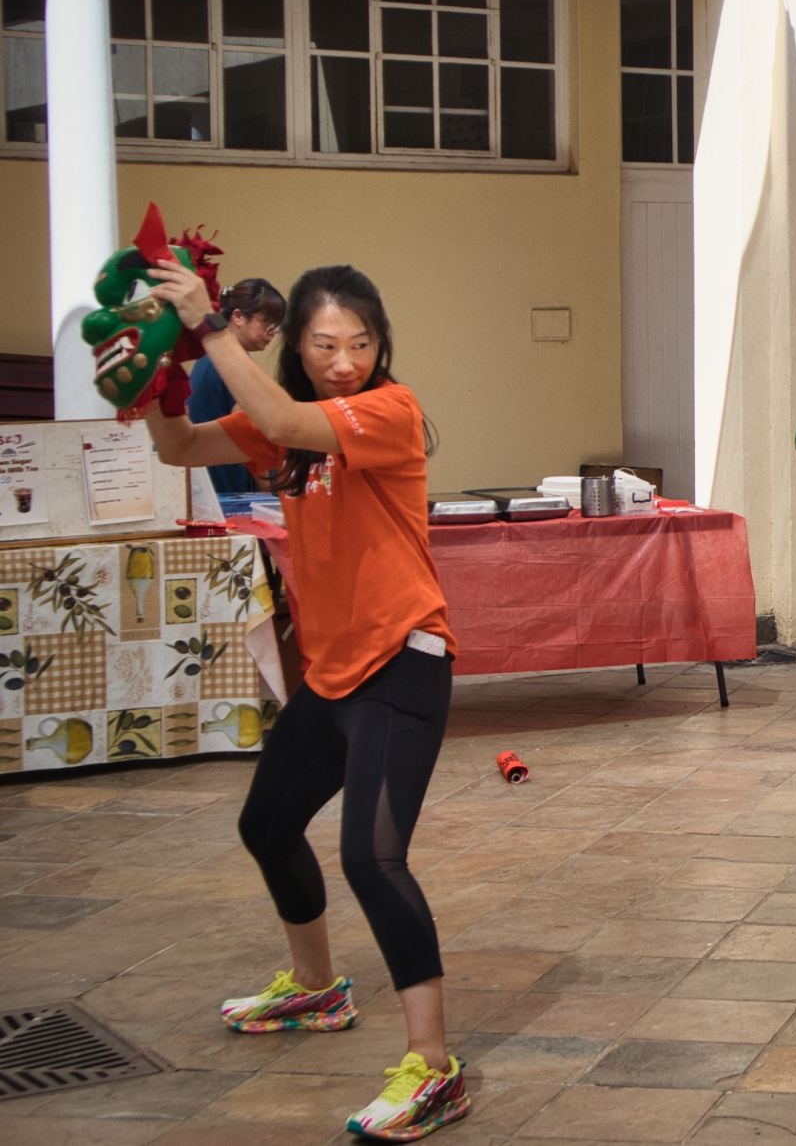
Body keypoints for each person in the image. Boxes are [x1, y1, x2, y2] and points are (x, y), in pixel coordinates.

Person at [138, 262, 470, 1142]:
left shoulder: (385, 413)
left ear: (380, 345)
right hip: (331, 675)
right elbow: (178, 449)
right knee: (266, 824)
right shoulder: (274, 427)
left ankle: (434, 1069)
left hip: (402, 663)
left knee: (373, 857)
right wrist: (161, 377)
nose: (344, 360)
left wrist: (208, 326)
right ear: (298, 346)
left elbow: (290, 419)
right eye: (325, 344)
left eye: (360, 343)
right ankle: (317, 989)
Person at [185, 277, 285, 497]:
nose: (273, 332)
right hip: (230, 495)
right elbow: (252, 435)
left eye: (277, 326)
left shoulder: (209, 358)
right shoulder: (234, 366)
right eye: (267, 323)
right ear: (239, 317)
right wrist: (276, 493)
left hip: (207, 490)